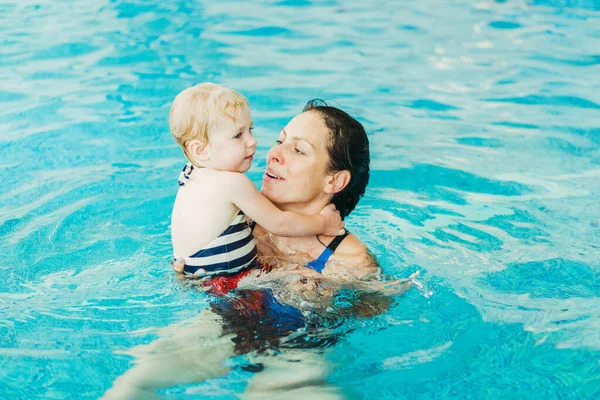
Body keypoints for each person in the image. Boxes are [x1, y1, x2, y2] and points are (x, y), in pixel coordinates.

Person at [102, 100, 415, 400]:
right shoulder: (239, 219)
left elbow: (375, 312)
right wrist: (187, 277)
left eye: (297, 150)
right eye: (280, 141)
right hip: (224, 322)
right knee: (136, 383)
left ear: (335, 180)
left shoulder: (350, 258)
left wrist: (326, 293)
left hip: (299, 346)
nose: (274, 154)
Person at [169, 83, 345, 280]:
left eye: (250, 130)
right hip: (227, 279)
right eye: (238, 135)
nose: (253, 141)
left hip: (191, 273)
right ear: (200, 150)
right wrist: (323, 223)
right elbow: (280, 223)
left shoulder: (191, 175)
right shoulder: (232, 182)